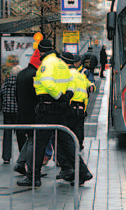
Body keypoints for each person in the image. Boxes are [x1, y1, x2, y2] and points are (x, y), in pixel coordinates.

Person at [17, 39, 92, 187]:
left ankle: (33, 177)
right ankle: (83, 172)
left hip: (48, 108)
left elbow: (47, 83)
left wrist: (58, 96)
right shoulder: (61, 63)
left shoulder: (47, 64)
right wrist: (67, 96)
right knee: (66, 142)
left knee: (39, 143)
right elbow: (71, 81)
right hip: (61, 109)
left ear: (41, 51)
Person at [14, 49, 41, 175]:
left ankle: (20, 162)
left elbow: (16, 94)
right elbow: (36, 95)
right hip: (33, 112)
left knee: (30, 139)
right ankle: (31, 168)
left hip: (22, 112)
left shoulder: (21, 73)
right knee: (33, 140)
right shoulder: (35, 75)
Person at [61, 52, 95, 151]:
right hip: (81, 106)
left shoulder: (67, 74)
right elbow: (90, 84)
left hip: (70, 105)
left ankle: (71, 150)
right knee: (78, 127)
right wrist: (91, 86)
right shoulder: (80, 75)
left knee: (68, 129)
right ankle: (78, 145)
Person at [0, 67, 24, 164]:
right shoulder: (20, 84)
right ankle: (22, 155)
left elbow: (1, 96)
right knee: (20, 135)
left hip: (7, 111)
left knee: (7, 134)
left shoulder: (5, 84)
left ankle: (6, 157)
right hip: (17, 111)